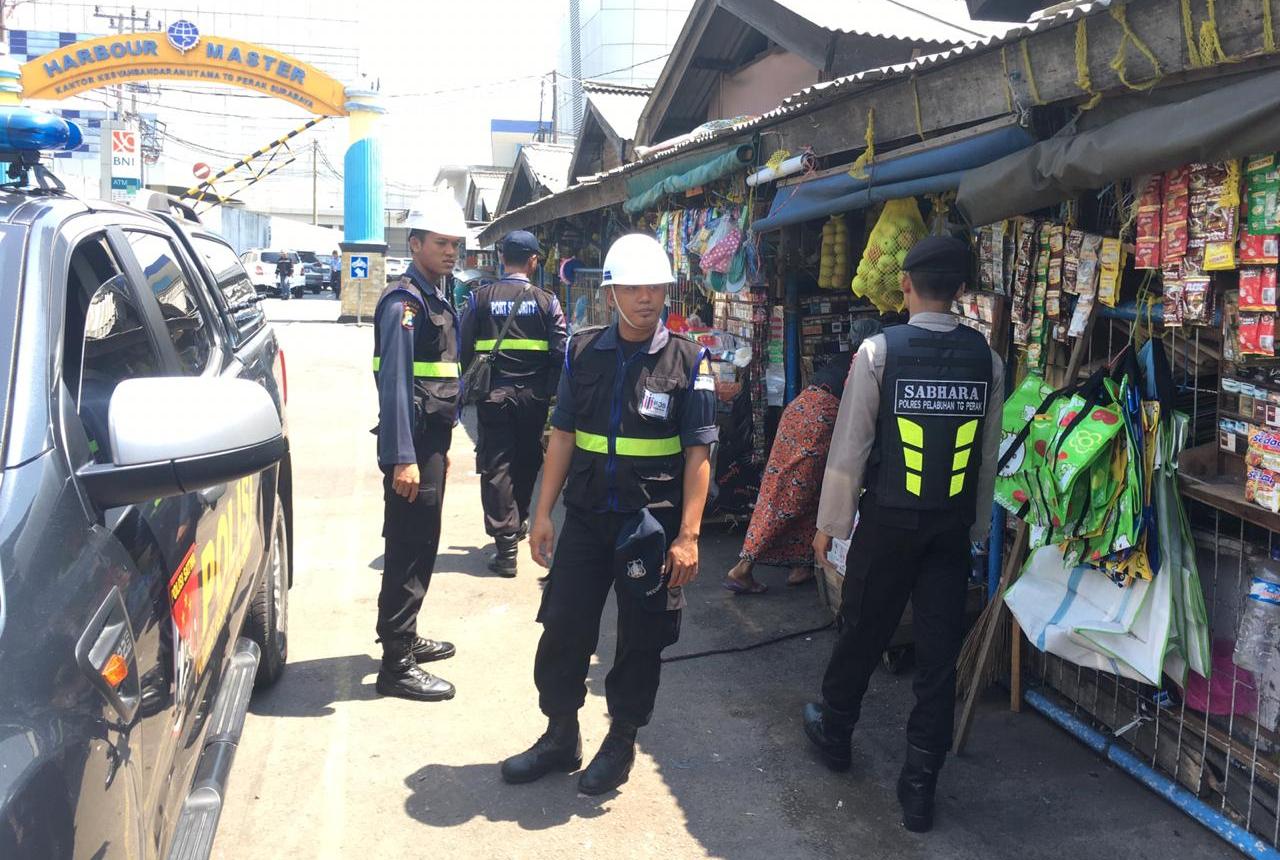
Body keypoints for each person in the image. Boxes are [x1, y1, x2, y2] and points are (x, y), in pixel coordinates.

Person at [500, 234, 717, 796]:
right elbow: (563, 437)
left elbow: (699, 454)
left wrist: (689, 535)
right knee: (564, 626)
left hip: (652, 525)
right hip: (588, 516)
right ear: (612, 292)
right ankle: (560, 734)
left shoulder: (691, 360)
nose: (648, 298)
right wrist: (541, 513)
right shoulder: (582, 351)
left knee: (641, 638)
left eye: (657, 287)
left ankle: (620, 740)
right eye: (635, 287)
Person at [801, 236, 1003, 832]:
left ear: (906, 287)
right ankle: (919, 789)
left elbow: (850, 450)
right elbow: (985, 462)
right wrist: (978, 527)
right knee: (939, 658)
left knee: (862, 629)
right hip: (948, 528)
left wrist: (829, 528)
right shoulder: (986, 360)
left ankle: (836, 733)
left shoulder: (876, 352)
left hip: (887, 522)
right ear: (962, 292)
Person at [370, 194, 470, 702]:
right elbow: (395, 385)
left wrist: (437, 445)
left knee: (423, 541)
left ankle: (403, 635)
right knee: (409, 548)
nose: (451, 251)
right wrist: (405, 456)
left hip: (428, 441)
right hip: (410, 446)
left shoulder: (434, 295)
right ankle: (397, 664)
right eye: (440, 243)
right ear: (415, 245)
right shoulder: (404, 304)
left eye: (455, 243)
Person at [723, 319, 881, 595]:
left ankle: (802, 565)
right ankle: (742, 568)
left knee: (808, 492)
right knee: (789, 496)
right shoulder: (864, 361)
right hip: (818, 422)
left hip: (799, 412)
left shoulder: (844, 358)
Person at [460, 230, 568, 576]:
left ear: (501, 258)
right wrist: (547, 392)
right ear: (533, 261)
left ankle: (506, 545)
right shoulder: (547, 301)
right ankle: (518, 521)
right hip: (533, 398)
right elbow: (561, 352)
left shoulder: (479, 298)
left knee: (496, 465)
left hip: (494, 397)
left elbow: (463, 349)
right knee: (526, 459)